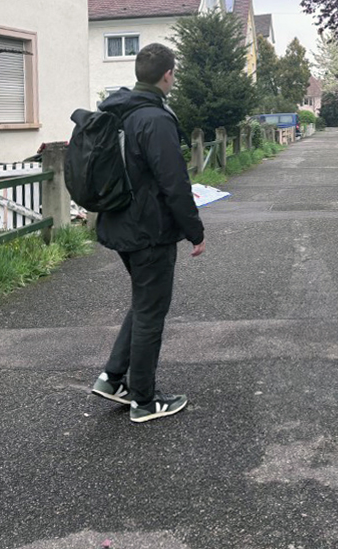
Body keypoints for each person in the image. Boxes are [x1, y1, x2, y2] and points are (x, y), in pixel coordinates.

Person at [90, 43, 205, 423]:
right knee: (151, 312)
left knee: (144, 304)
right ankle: (143, 400)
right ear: (168, 74)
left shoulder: (119, 112)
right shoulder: (155, 118)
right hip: (149, 231)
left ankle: (112, 378)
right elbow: (175, 182)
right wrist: (195, 231)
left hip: (120, 224)